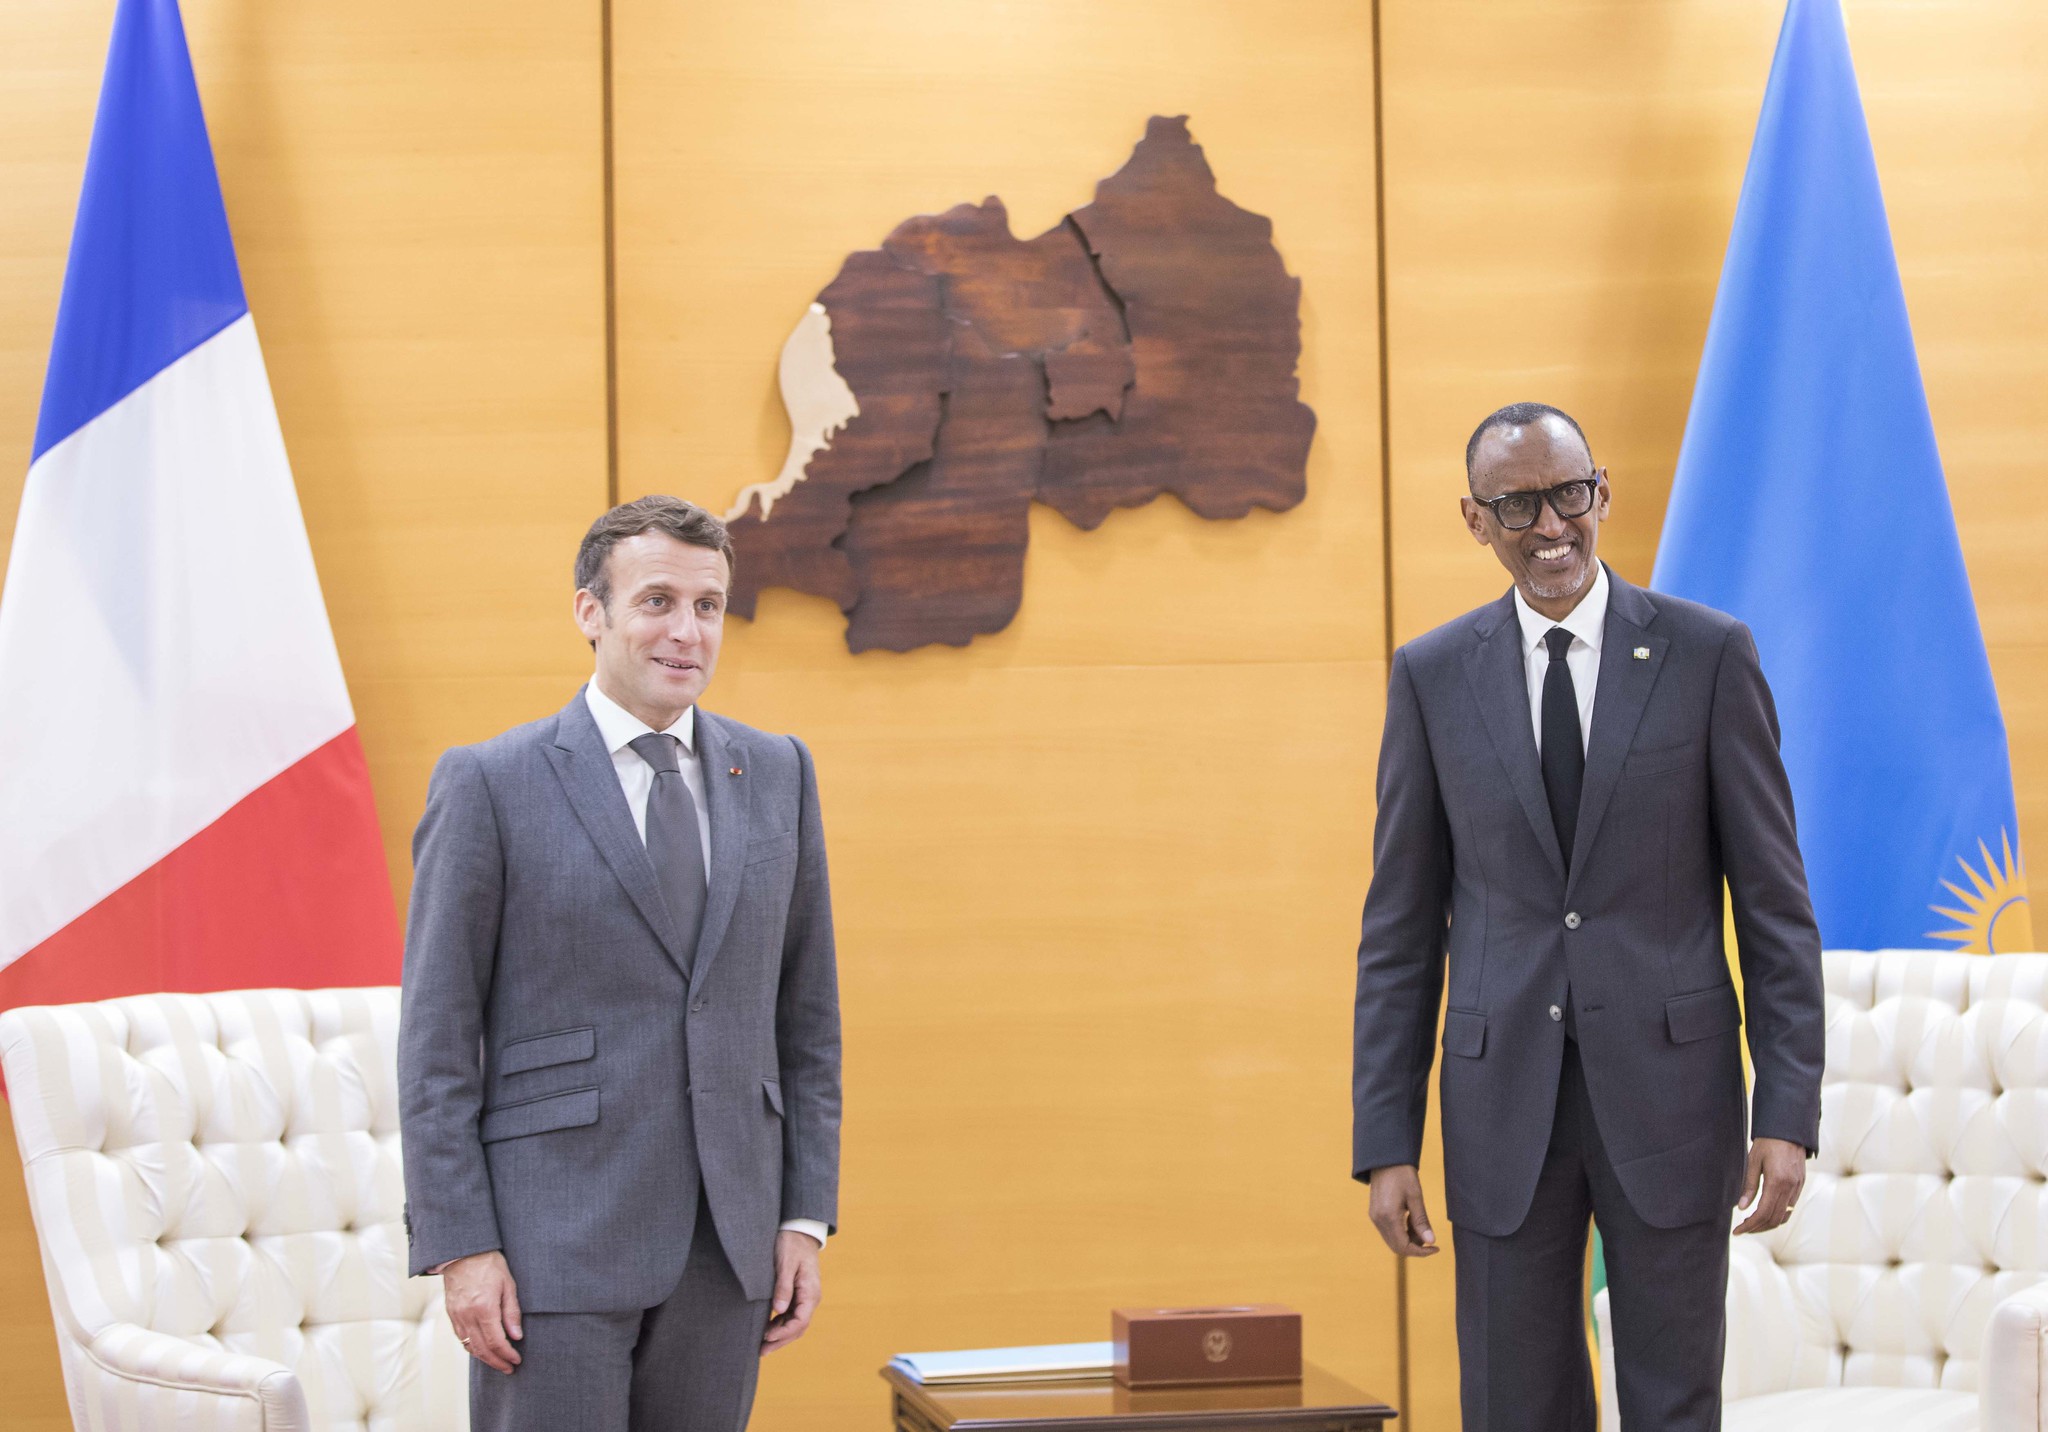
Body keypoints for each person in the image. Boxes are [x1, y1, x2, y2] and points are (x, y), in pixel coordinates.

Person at [1351, 403, 1823, 1431]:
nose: (1549, 525)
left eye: (1567, 495)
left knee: (1669, 1402)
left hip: (1672, 1100)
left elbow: (1774, 910)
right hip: (1497, 1106)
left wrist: (1784, 1110)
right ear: (1474, 520)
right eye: (1516, 504)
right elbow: (1397, 929)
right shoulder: (1430, 678)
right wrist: (1384, 1136)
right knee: (1513, 1407)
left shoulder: (1707, 657)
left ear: (1600, 492)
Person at [399, 495, 841, 1431]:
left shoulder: (780, 774)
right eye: (657, 601)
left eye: (709, 605)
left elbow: (806, 1022)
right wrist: (460, 1245)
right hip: (550, 1245)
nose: (687, 631)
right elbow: (437, 1044)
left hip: (730, 1244)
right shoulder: (489, 783)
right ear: (589, 612)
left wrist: (804, 1215)